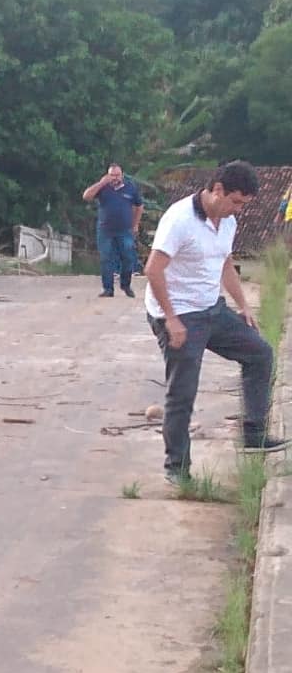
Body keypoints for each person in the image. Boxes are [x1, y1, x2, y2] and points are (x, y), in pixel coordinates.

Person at [144, 160, 286, 485]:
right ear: (217, 189)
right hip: (179, 315)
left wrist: (243, 306)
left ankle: (253, 435)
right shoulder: (179, 220)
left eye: (243, 205)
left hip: (212, 309)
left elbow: (225, 263)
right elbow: (153, 270)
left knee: (260, 354)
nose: (237, 210)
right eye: (235, 201)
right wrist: (172, 319)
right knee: (183, 392)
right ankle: (176, 470)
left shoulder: (227, 221)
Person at [83, 164, 144, 298]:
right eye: (112, 175)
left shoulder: (130, 188)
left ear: (122, 175)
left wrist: (135, 225)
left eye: (117, 175)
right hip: (105, 230)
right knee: (106, 259)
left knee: (128, 258)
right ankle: (108, 289)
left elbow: (139, 207)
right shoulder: (103, 188)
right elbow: (86, 196)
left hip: (125, 230)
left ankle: (125, 285)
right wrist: (101, 183)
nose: (115, 178)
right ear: (107, 175)